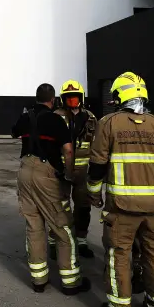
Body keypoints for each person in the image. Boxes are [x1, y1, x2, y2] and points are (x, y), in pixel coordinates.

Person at [87, 71, 154, 307]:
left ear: (119, 95)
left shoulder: (108, 124)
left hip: (122, 208)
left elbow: (96, 165)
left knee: (119, 254)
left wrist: (94, 194)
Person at [12, 83, 91, 295]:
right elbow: (67, 150)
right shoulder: (56, 119)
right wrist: (69, 174)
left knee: (34, 226)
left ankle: (39, 280)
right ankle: (70, 282)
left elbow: (14, 132)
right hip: (46, 175)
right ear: (53, 99)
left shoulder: (26, 116)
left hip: (24, 171)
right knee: (62, 228)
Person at [53, 80, 98, 259]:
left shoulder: (91, 118)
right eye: (68, 97)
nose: (72, 100)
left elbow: (97, 145)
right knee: (59, 207)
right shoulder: (56, 116)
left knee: (83, 208)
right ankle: (55, 241)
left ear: (81, 98)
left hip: (83, 172)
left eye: (75, 97)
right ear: (63, 99)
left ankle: (81, 241)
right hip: (61, 171)